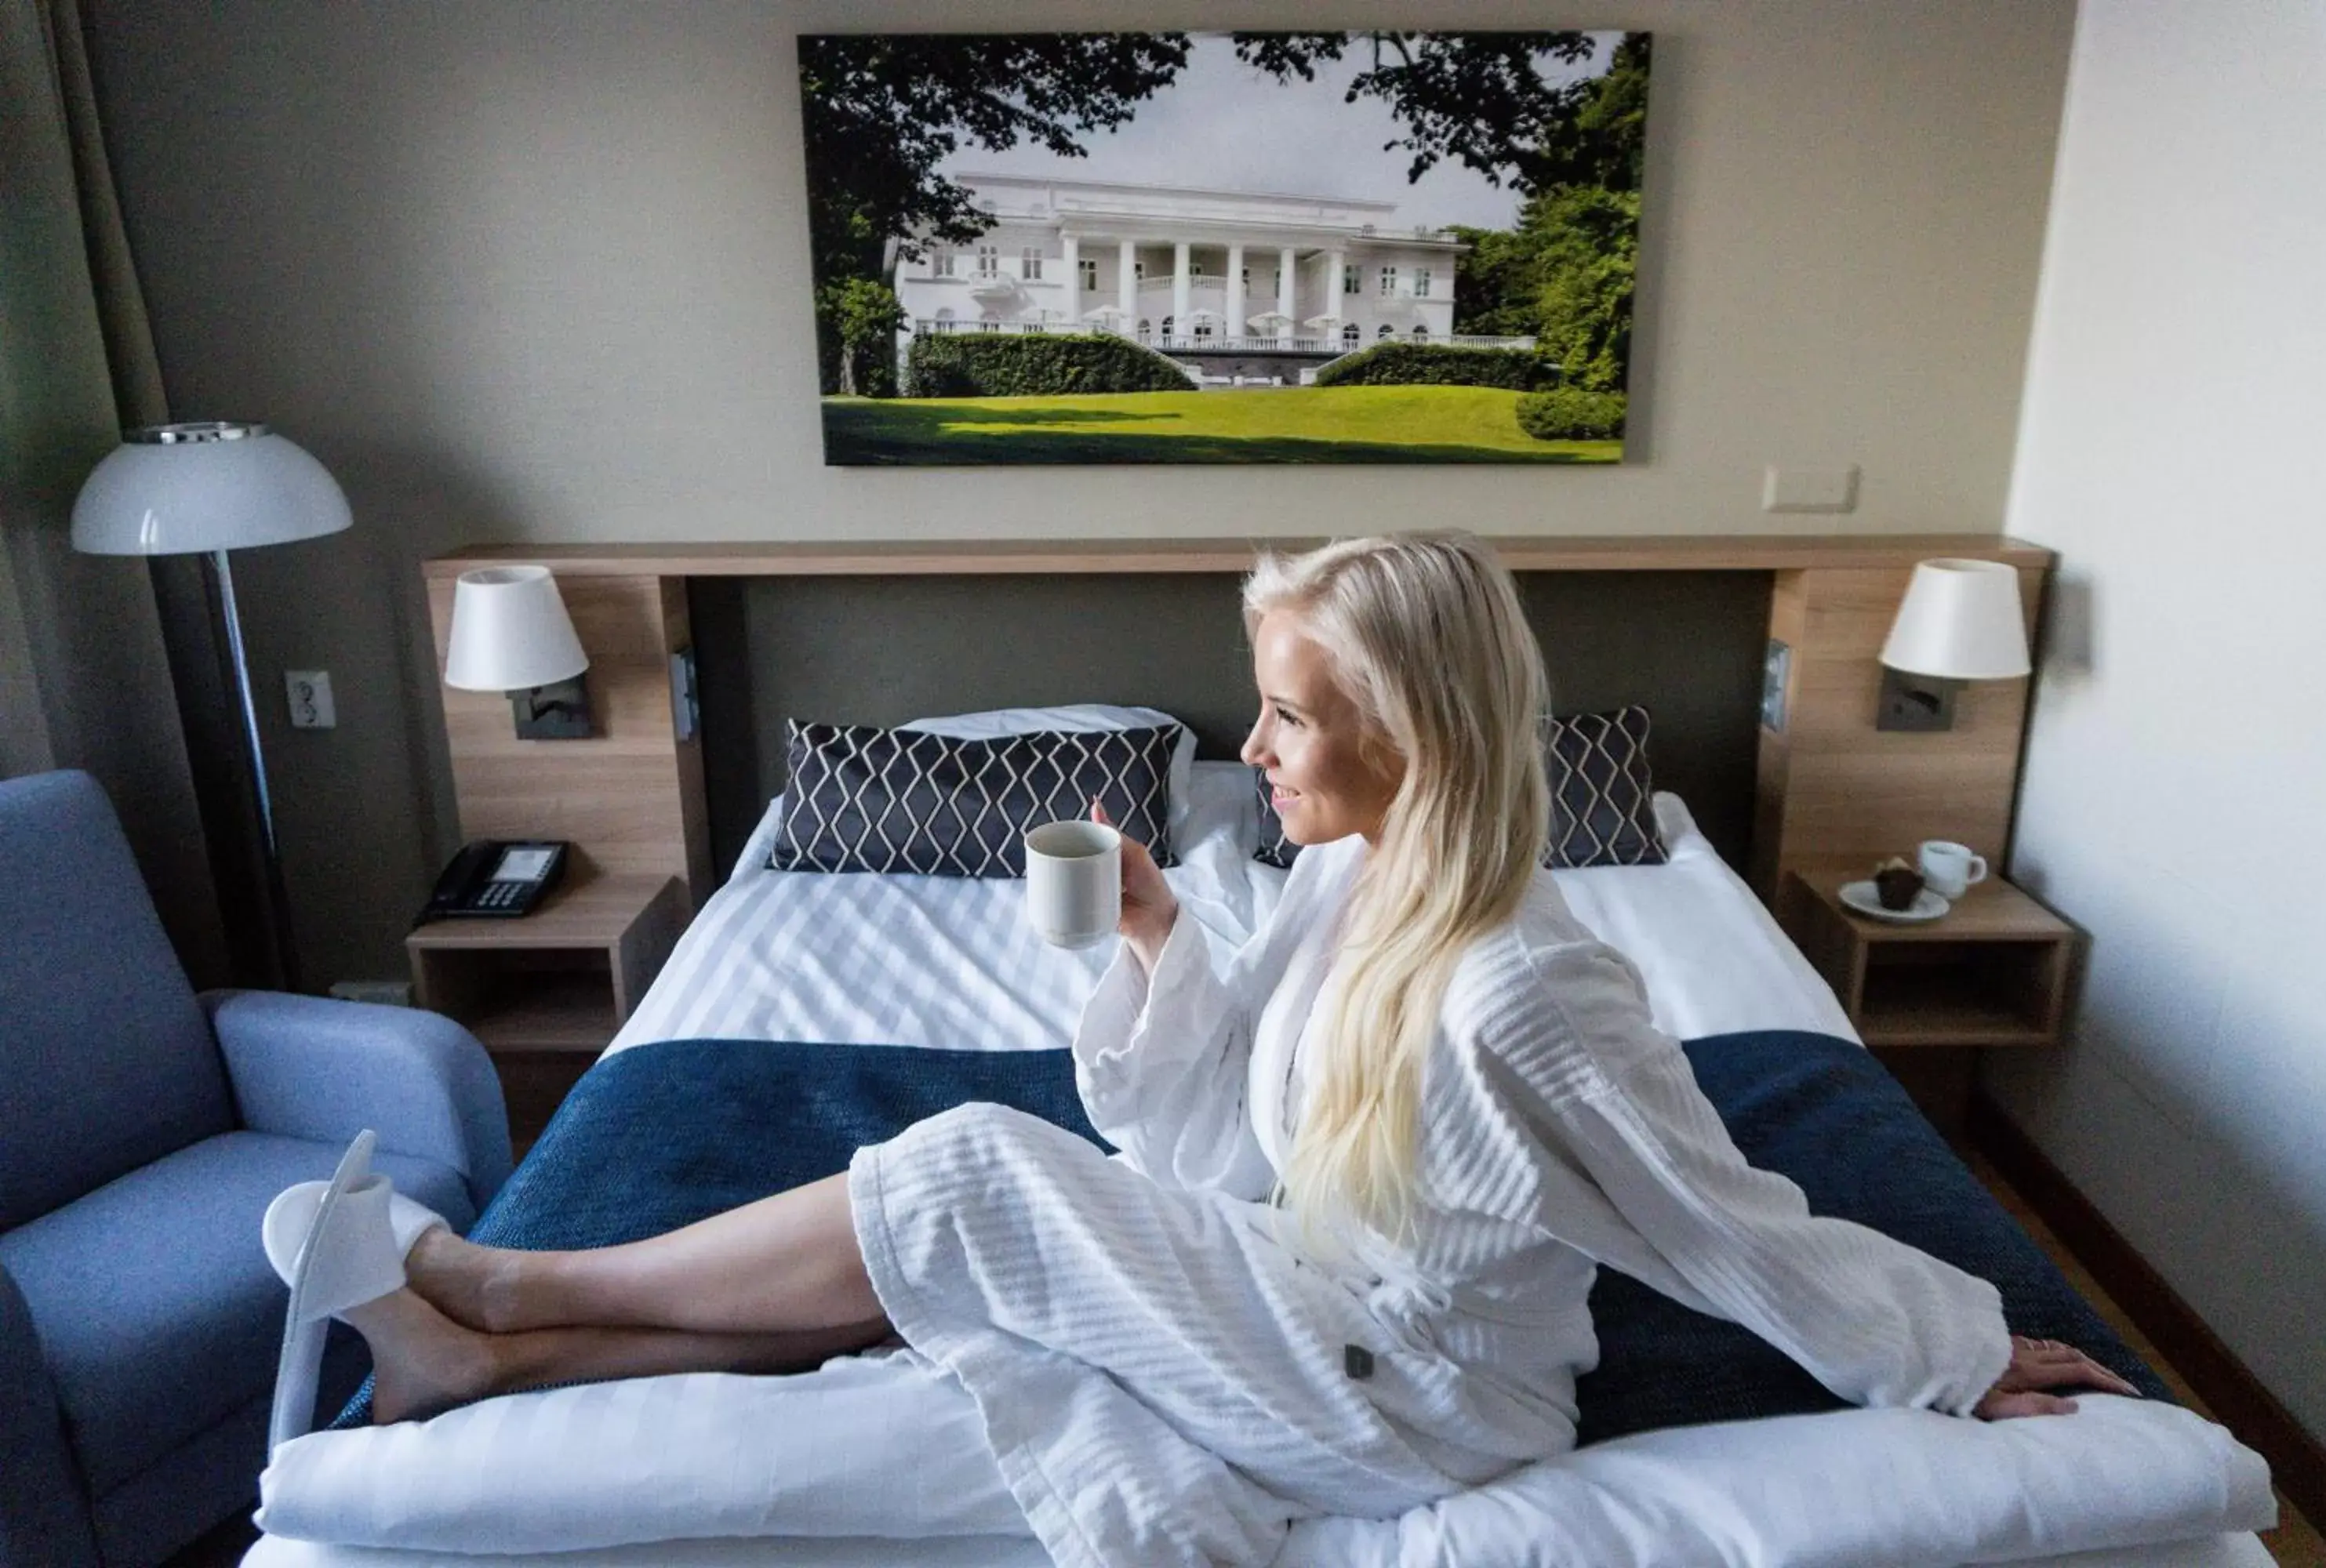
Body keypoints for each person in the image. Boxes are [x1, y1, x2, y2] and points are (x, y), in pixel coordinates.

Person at [314, 533, 2134, 1563]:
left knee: (967, 1168)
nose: (1251, 750)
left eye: (1285, 712)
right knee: (970, 1200)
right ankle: (505, 1348)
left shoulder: (1530, 983)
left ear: (1412, 727)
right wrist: (1161, 929)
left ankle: (501, 1286)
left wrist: (1960, 1347)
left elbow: (1725, 1215)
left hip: (1414, 1396)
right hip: (1310, 1291)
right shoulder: (1353, 875)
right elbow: (1232, 1091)